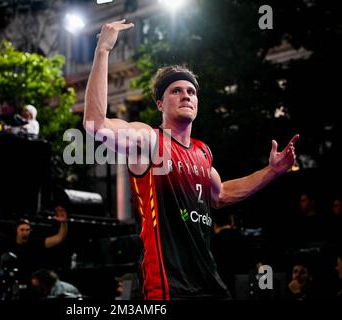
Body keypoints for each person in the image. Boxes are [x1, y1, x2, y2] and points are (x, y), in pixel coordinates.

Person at [83, 19, 299, 300]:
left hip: (210, 282)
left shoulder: (202, 152)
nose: (186, 95)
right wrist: (102, 50)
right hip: (168, 286)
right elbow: (95, 125)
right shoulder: (148, 140)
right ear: (160, 104)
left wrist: (272, 171)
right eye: (176, 90)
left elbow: (221, 194)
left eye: (191, 91)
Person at [0, 195, 68, 280]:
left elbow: (59, 238)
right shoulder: (8, 240)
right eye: (22, 230)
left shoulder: (35, 242)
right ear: (16, 231)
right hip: (10, 278)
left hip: (30, 280)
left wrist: (63, 223)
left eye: (27, 230)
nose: (25, 232)